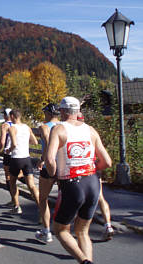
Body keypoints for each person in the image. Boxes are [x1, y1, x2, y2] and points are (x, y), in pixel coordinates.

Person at [46, 97, 112, 264]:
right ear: (77, 111)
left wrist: (54, 174)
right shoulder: (90, 130)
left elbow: (49, 159)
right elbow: (107, 162)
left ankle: (84, 261)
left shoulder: (59, 129)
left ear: (61, 111)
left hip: (72, 184)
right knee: (83, 231)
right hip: (92, 183)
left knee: (60, 229)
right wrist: (88, 168)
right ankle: (87, 260)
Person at [77, 112, 114, 241]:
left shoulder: (73, 132)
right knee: (100, 198)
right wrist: (96, 166)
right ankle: (108, 225)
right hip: (93, 168)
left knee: (80, 199)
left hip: (80, 171)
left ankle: (79, 227)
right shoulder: (91, 131)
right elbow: (106, 160)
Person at [35, 103, 60, 244]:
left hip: (49, 165)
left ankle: (46, 231)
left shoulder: (44, 127)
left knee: (43, 199)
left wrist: (42, 160)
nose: (44, 115)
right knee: (65, 199)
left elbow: (49, 144)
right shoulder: (64, 126)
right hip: (63, 166)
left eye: (45, 112)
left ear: (49, 113)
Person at [7, 109, 40, 214]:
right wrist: (25, 141)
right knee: (31, 185)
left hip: (16, 158)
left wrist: (8, 150)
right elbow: (35, 141)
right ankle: (41, 207)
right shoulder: (27, 127)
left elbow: (14, 144)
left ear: (12, 116)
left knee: (12, 182)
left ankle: (17, 206)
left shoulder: (12, 128)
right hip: (26, 158)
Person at [0, 108, 15, 205]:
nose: (3, 116)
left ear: (7, 115)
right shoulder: (17, 125)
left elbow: (2, 142)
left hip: (8, 153)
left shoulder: (5, 125)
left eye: (4, 114)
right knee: (17, 175)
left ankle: (13, 200)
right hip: (18, 153)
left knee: (8, 177)